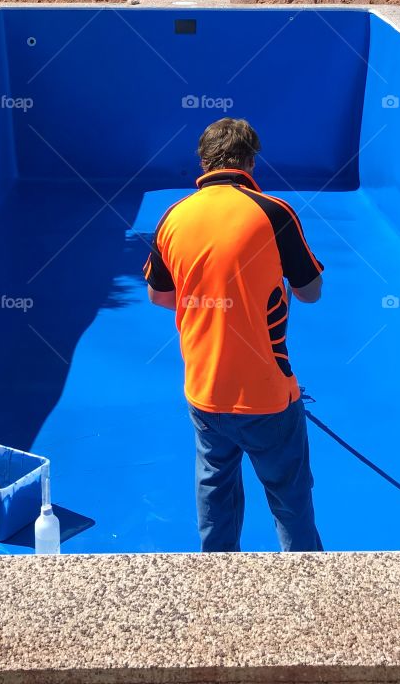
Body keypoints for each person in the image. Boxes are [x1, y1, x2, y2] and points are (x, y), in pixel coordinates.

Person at [144, 116, 324, 552]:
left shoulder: (173, 217)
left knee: (215, 492)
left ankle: (217, 581)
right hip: (267, 396)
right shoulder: (274, 213)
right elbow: (311, 292)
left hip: (205, 391)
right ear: (250, 161)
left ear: (204, 162)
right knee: (289, 499)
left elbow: (160, 297)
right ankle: (311, 588)